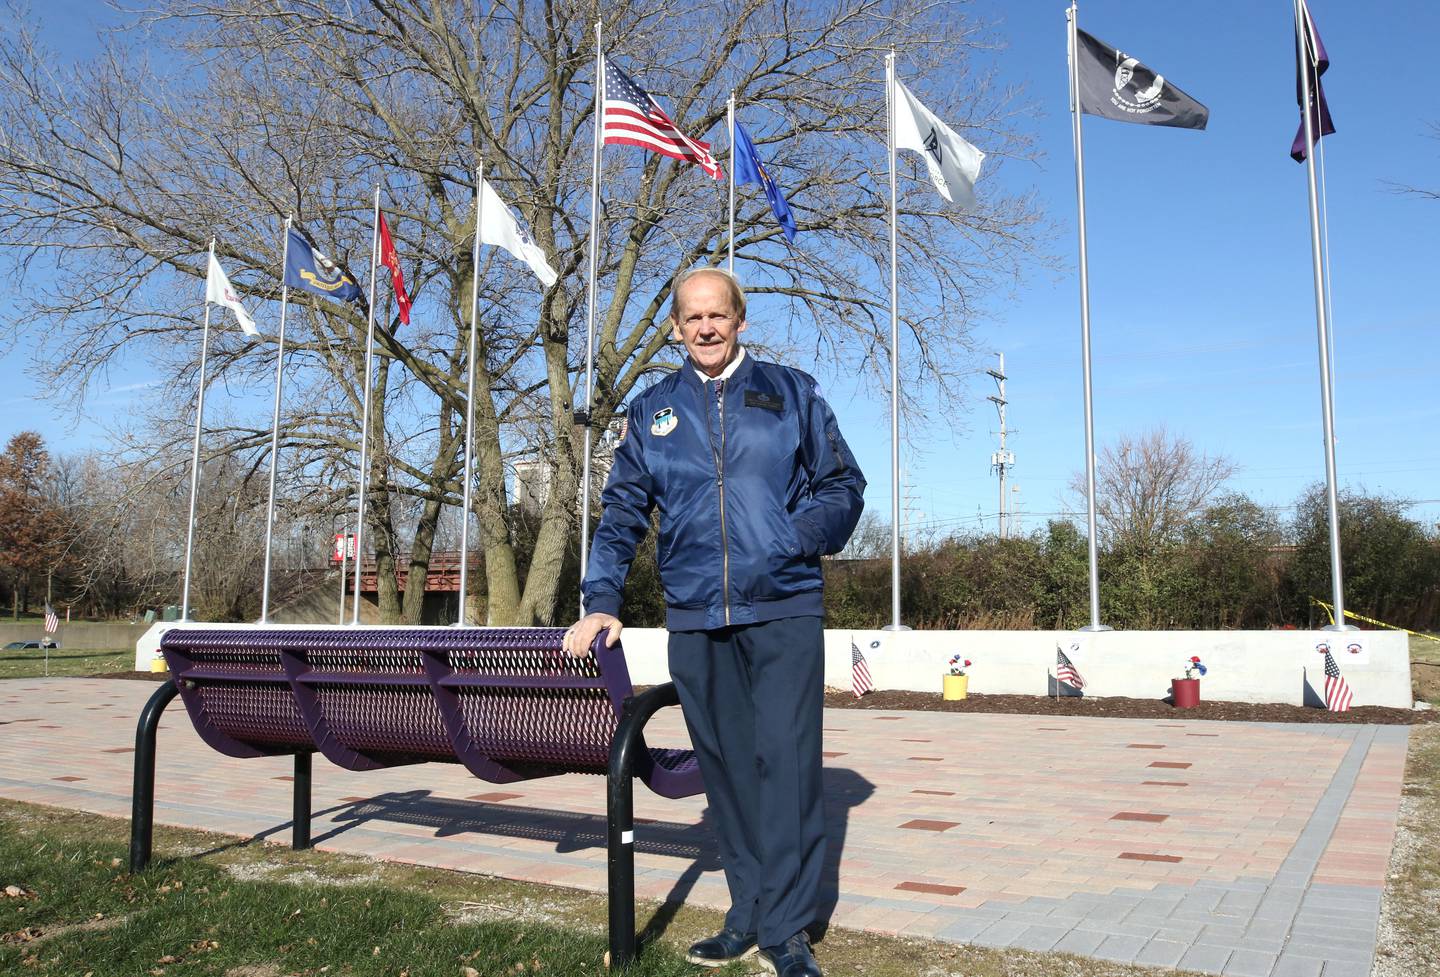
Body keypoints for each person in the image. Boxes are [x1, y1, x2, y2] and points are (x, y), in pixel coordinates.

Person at [563, 267, 866, 977]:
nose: (705, 327)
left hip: (783, 607)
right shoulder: (651, 412)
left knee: (785, 767)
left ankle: (787, 931)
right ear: (675, 326)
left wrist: (791, 538)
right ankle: (747, 913)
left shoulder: (792, 392)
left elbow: (843, 486)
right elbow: (621, 516)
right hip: (696, 616)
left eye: (717, 315)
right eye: (692, 317)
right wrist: (601, 597)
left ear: (739, 320)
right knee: (727, 770)